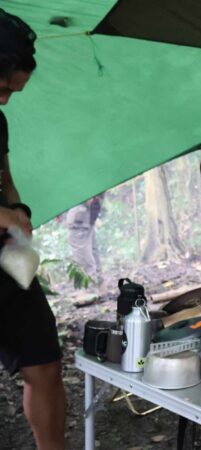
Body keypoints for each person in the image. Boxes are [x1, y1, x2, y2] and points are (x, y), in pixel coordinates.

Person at [0, 8, 66, 450]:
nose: (5, 99)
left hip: (4, 262)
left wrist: (15, 209)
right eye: (3, 86)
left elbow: (4, 180)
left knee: (44, 365)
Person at [66, 194, 104, 285]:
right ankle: (96, 282)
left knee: (82, 253)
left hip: (80, 212)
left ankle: (90, 288)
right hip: (86, 210)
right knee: (89, 248)